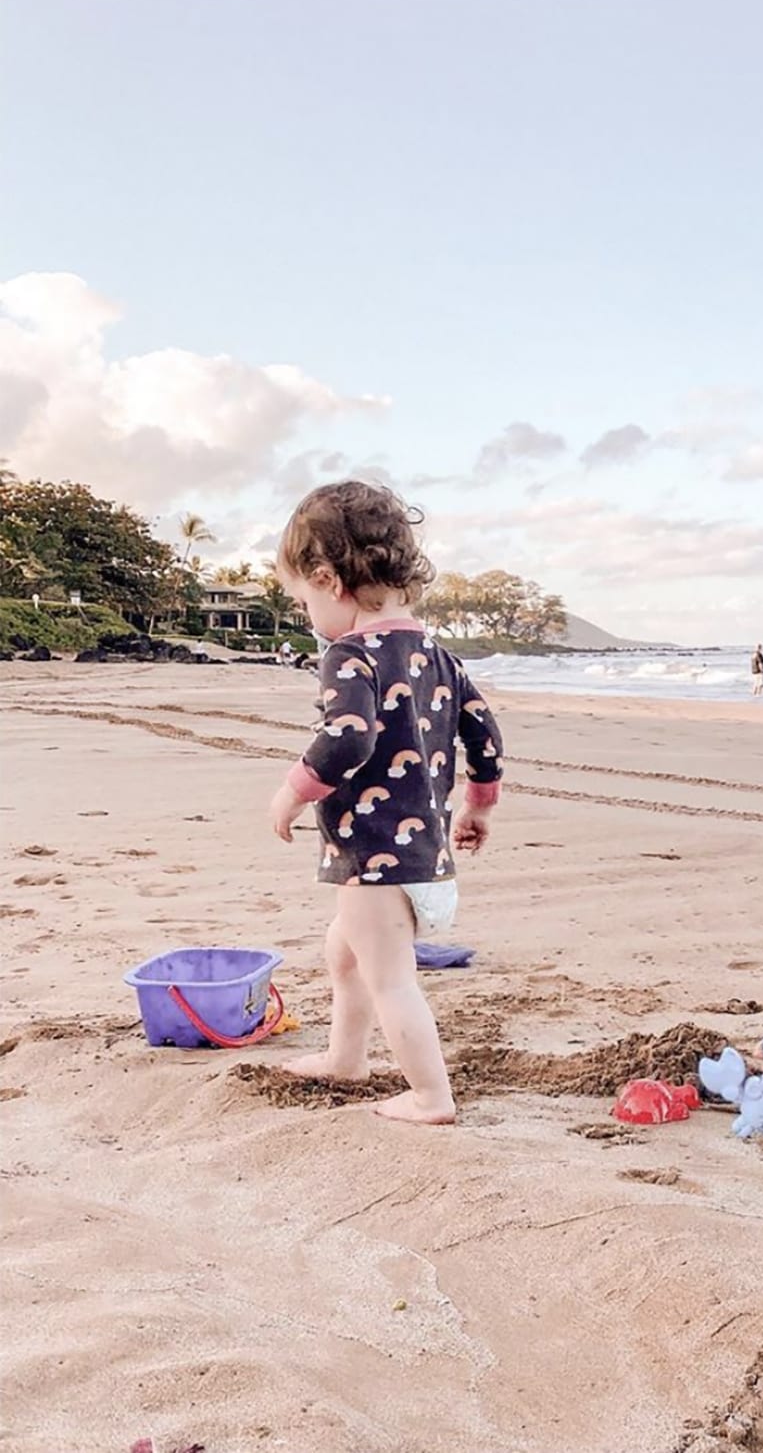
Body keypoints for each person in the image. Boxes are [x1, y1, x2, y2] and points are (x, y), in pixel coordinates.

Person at [267, 480, 504, 1125]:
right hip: (423, 846)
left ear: (328, 579)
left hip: (374, 853)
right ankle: (347, 1056)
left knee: (390, 977)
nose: (307, 614)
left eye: (303, 599)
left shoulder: (349, 654)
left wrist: (293, 789)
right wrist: (479, 805)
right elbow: (483, 733)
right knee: (344, 951)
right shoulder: (438, 655)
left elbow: (347, 736)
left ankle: (431, 1095)